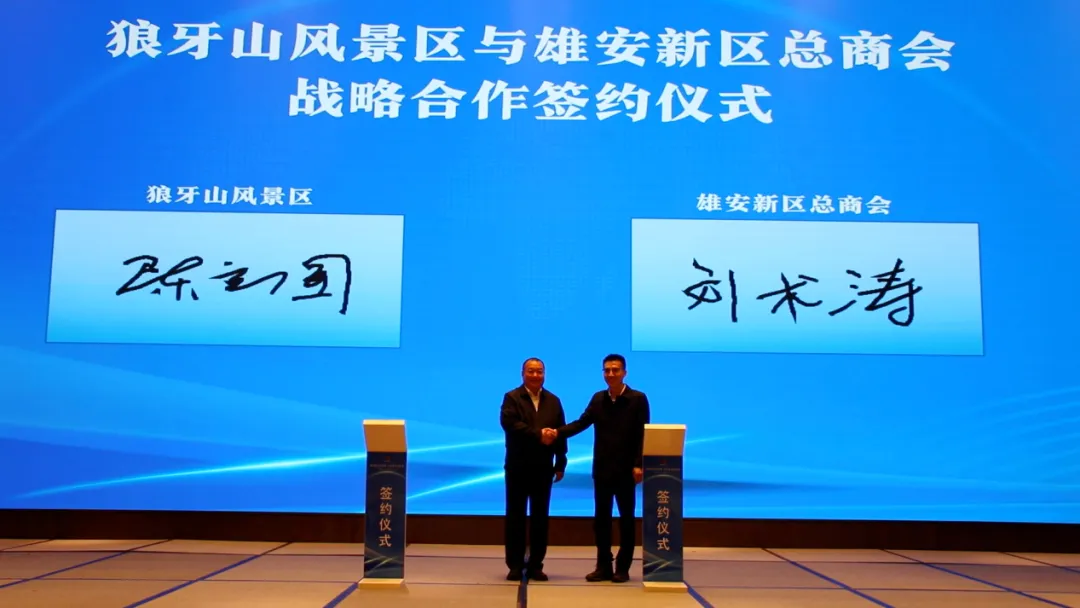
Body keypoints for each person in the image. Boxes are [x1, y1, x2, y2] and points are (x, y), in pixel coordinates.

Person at [542, 354, 650, 583]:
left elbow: (643, 433)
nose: (610, 374)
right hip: (602, 469)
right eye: (606, 370)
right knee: (601, 521)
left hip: (626, 471)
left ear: (624, 373)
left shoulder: (637, 399)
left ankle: (622, 568)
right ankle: (603, 566)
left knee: (626, 519)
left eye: (615, 370)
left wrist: (639, 464)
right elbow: (582, 422)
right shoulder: (598, 398)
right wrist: (557, 432)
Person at [500, 357, 567, 582]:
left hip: (543, 467)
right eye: (531, 371)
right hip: (517, 467)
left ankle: (536, 564)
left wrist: (561, 461)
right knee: (515, 517)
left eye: (539, 371)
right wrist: (539, 435)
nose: (535, 375)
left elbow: (560, 432)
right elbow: (510, 425)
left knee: (540, 518)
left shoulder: (554, 401)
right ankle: (515, 565)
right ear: (523, 374)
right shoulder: (512, 397)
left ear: (544, 374)